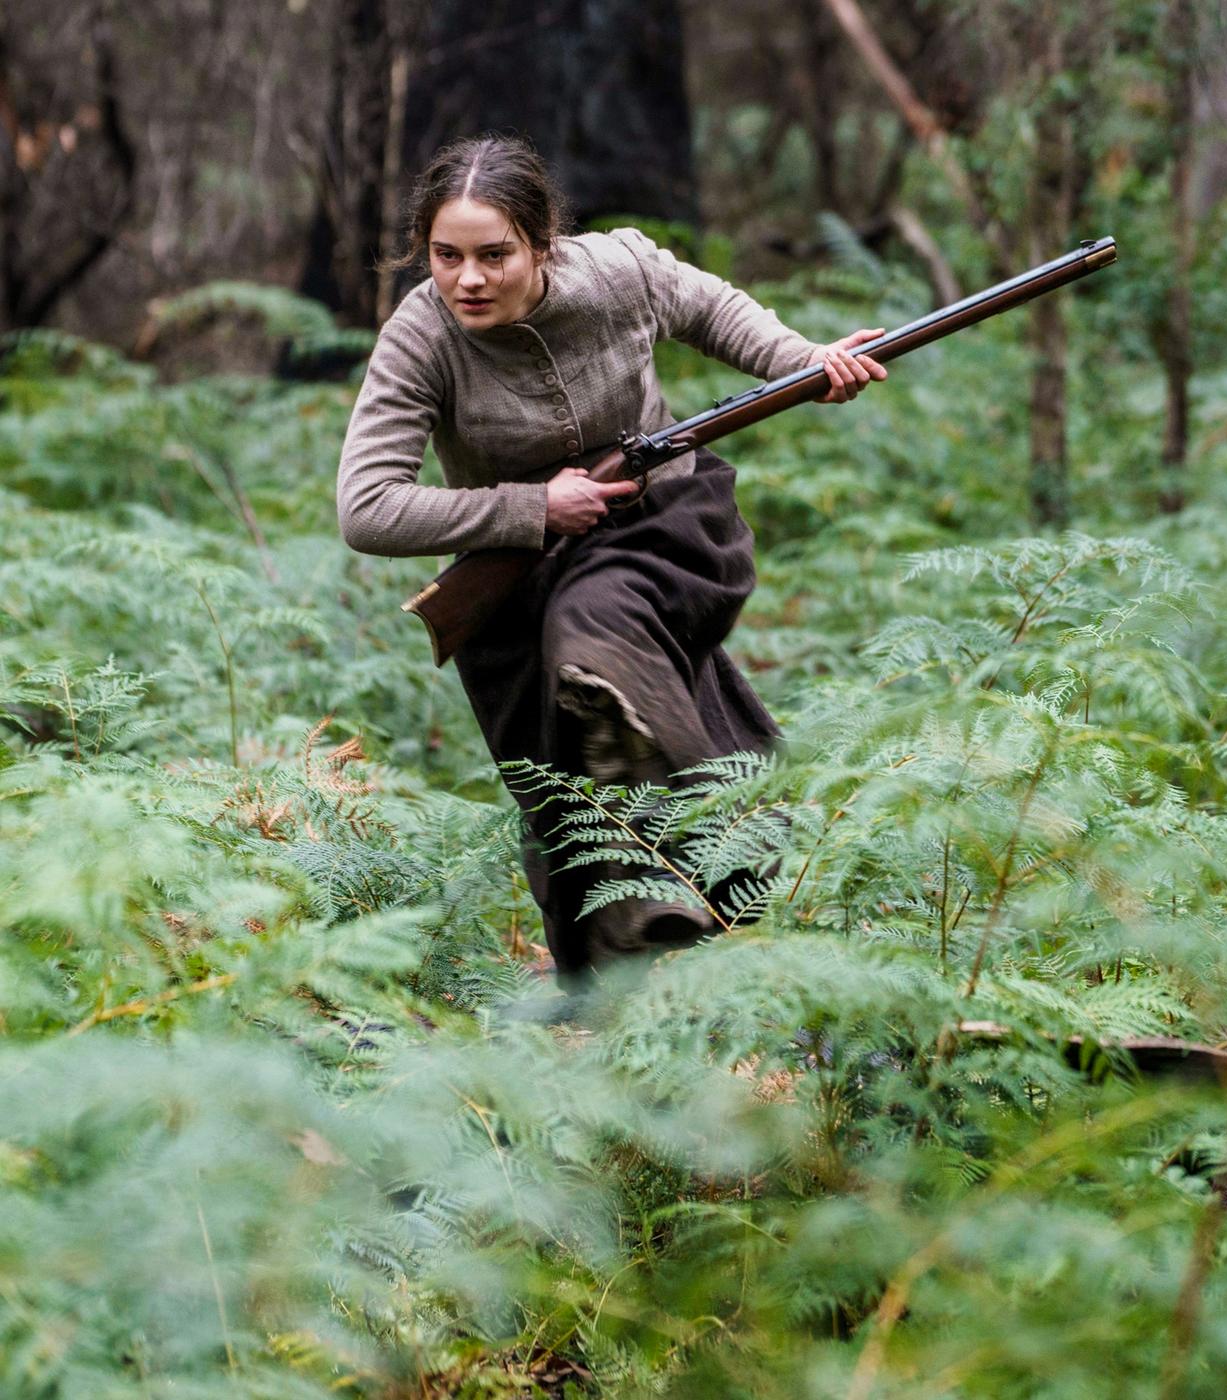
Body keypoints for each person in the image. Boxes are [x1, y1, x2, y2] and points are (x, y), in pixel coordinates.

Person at [337, 133, 885, 990]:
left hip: (662, 532)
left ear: (543, 244)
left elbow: (714, 311)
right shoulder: (421, 339)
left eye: (494, 255)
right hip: (515, 582)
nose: (468, 280)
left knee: (595, 629)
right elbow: (366, 506)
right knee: (559, 798)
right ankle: (625, 1000)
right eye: (446, 257)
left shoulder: (618, 270)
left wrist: (808, 362)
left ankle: (684, 874)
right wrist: (528, 508)